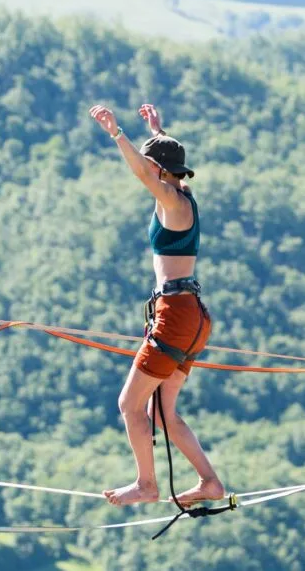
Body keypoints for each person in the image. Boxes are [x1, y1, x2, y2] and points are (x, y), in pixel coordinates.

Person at [88, 102, 224, 506]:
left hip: (176, 316)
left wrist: (117, 134)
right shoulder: (184, 195)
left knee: (130, 405)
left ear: (161, 172)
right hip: (193, 316)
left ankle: (147, 484)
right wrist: (157, 130)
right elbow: (160, 167)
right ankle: (209, 482)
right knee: (162, 413)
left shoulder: (172, 202)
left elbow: (143, 172)